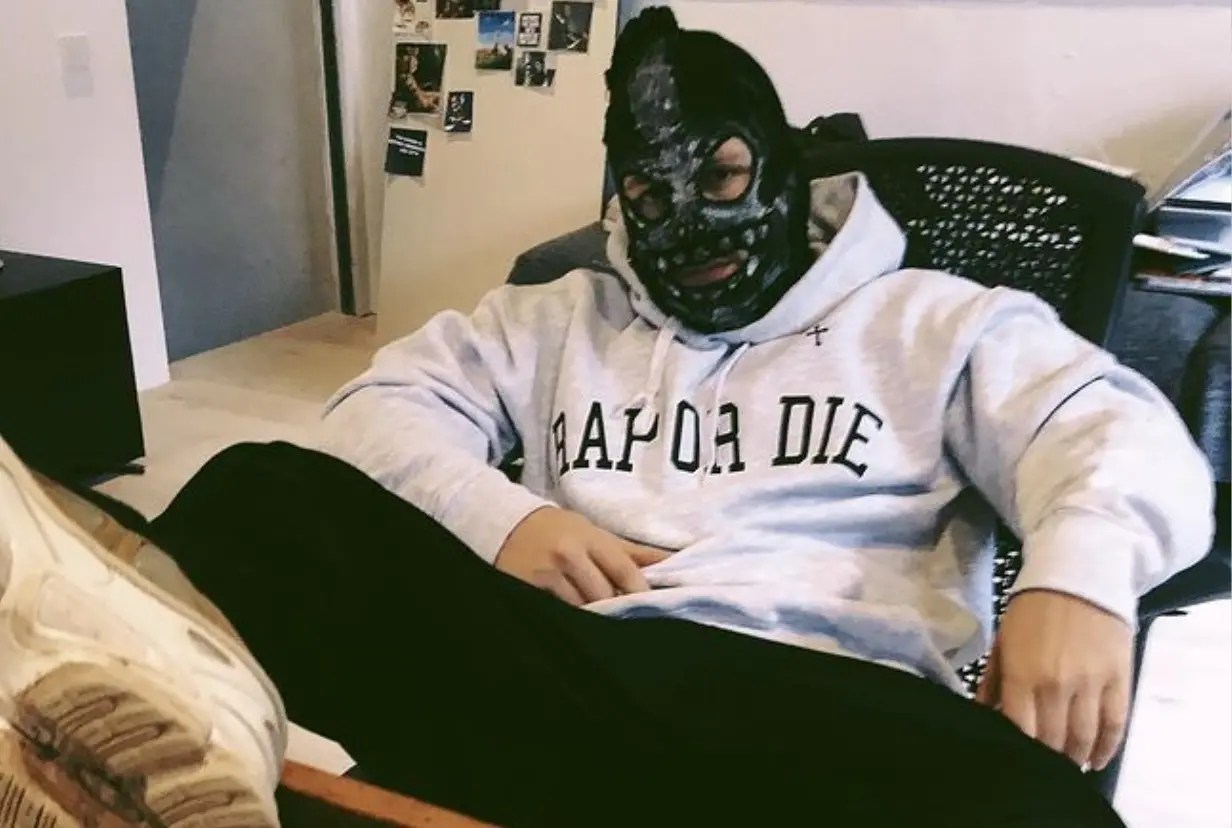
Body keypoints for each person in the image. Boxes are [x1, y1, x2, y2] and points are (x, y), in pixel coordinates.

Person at [0, 9, 1213, 827]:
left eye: (722, 174)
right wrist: (504, 519)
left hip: (817, 699)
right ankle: (68, 637)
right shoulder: (558, 313)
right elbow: (375, 406)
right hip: (568, 670)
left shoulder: (934, 319)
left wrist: (1076, 580)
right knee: (268, 492)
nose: (688, 219)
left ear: (780, 161)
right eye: (647, 189)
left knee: (1026, 809)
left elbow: (1103, 423)